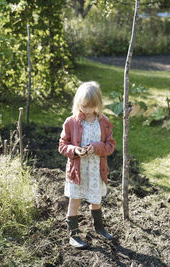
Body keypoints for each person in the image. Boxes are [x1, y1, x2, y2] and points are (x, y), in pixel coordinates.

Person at [59, 81, 116, 249]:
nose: (88, 110)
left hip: (95, 170)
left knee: (95, 198)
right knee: (75, 199)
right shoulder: (71, 122)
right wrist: (75, 150)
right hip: (78, 170)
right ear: (78, 103)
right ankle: (73, 234)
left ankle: (99, 227)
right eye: (84, 106)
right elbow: (62, 145)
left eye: (92, 106)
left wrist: (97, 148)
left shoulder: (103, 122)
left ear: (98, 104)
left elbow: (110, 146)